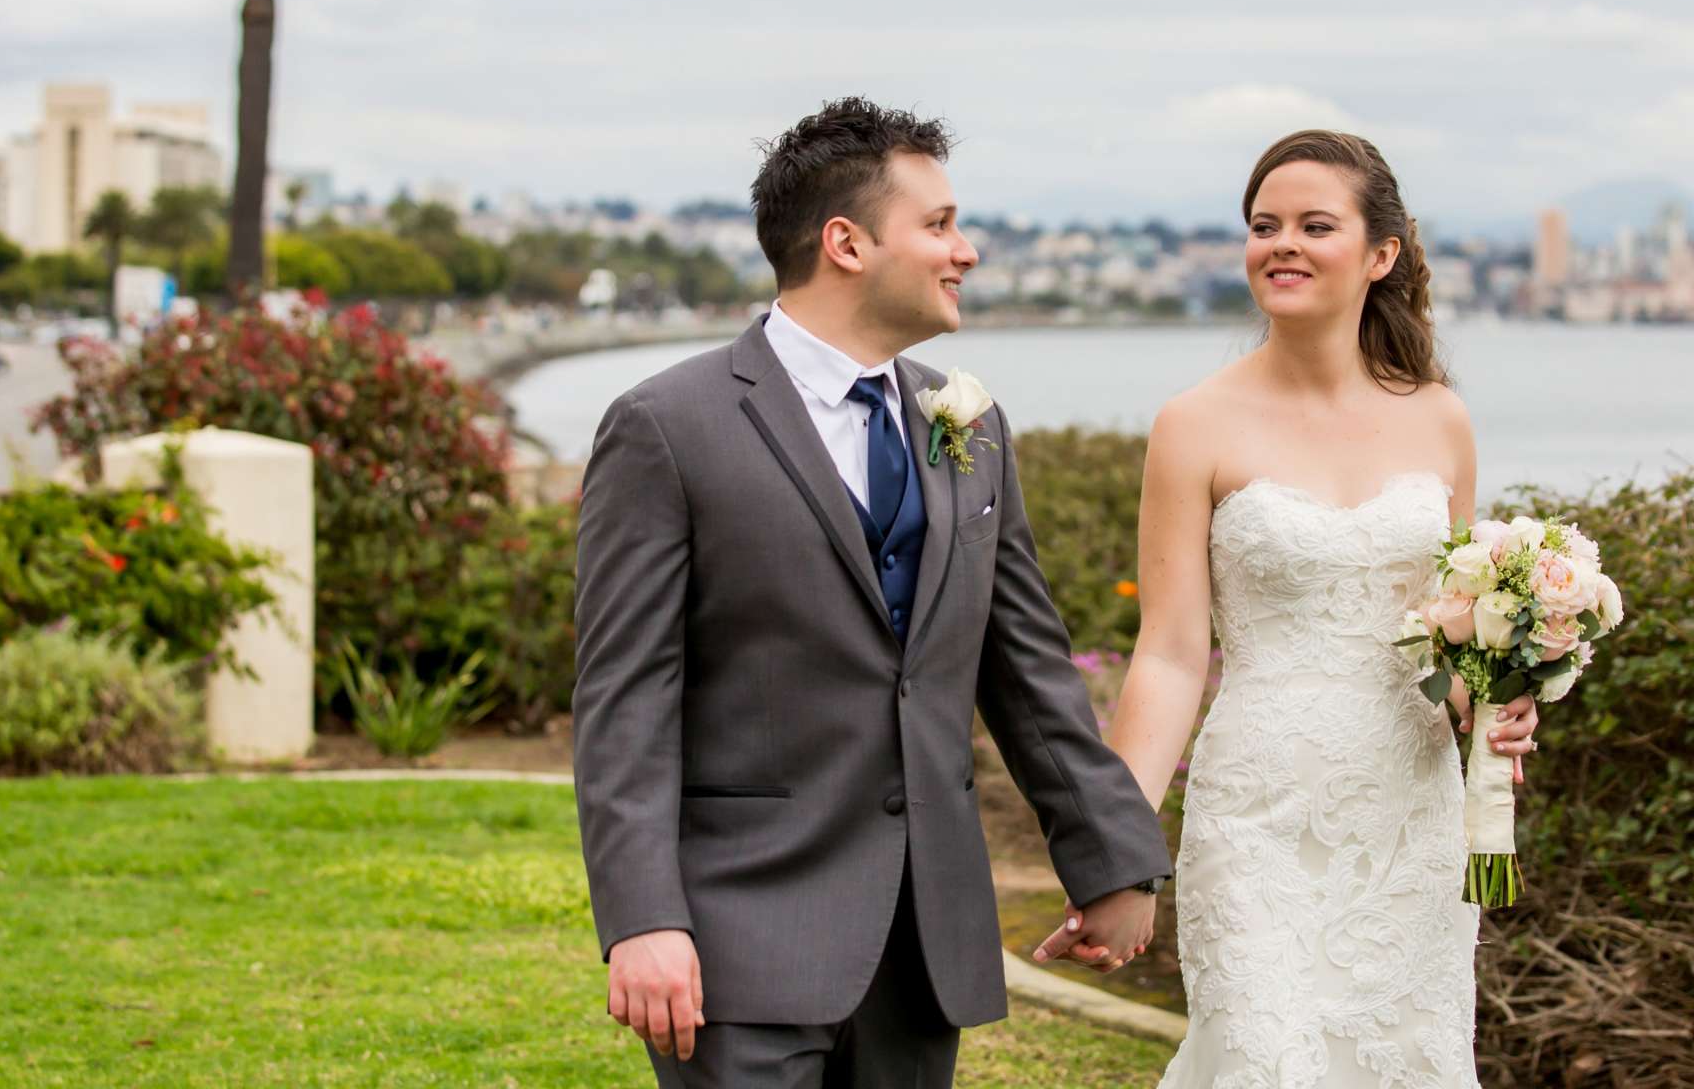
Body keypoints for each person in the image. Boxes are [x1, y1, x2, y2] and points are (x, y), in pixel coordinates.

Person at [571, 97, 1171, 1088]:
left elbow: (1026, 671)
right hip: (738, 938)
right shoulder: (667, 428)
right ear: (846, 243)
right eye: (937, 224)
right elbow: (623, 701)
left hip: (924, 945)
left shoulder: (969, 427)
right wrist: (642, 918)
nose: (965, 250)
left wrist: (1112, 859)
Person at [1092, 128, 1541, 1087]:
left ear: (1380, 255)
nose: (1281, 244)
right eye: (1264, 225)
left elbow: (1451, 632)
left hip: (1411, 820)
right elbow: (1170, 656)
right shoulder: (1194, 423)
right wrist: (1115, 851)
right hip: (1259, 812)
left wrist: (1494, 703)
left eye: (1313, 225)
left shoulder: (1440, 417)